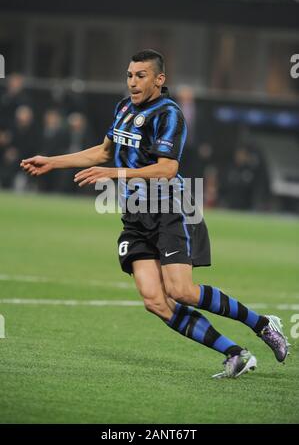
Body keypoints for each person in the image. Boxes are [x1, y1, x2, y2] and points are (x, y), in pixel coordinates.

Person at [21, 49, 289, 378]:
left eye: (141, 75)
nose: (133, 81)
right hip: (135, 216)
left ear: (159, 80)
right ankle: (235, 353)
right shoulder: (122, 108)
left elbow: (167, 168)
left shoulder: (169, 114)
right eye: (130, 75)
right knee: (155, 300)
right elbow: (104, 151)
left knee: (181, 291)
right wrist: (52, 161)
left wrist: (115, 175)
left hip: (170, 209)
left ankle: (262, 324)